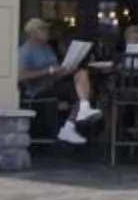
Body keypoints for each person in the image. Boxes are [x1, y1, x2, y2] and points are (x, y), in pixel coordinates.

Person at [20, 18, 99, 146]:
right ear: (33, 32)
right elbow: (21, 76)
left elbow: (55, 72)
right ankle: (71, 124)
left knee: (81, 73)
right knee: (76, 91)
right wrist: (48, 71)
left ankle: (79, 114)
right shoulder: (25, 51)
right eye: (43, 29)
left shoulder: (47, 48)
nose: (47, 32)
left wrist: (67, 69)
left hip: (53, 84)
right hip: (37, 91)